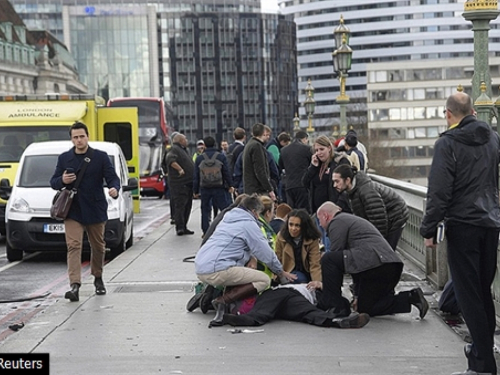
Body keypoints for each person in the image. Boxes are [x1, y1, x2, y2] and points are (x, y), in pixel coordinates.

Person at [420, 92, 500, 375]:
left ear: (448, 114)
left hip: (463, 225)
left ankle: (483, 365)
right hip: (490, 224)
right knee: (482, 292)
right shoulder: (493, 139)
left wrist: (429, 229)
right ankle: (479, 352)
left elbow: (439, 192)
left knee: (468, 297)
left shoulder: (448, 143)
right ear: (474, 113)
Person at [315, 202, 428, 319]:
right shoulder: (351, 221)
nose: (320, 225)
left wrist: (326, 286)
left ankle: (335, 307)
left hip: (376, 264)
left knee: (328, 259)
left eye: (319, 220)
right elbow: (353, 263)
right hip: (389, 266)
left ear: (325, 216)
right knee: (365, 308)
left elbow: (336, 257)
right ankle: (411, 297)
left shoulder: (337, 222)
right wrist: (357, 296)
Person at [194, 196, 295, 326]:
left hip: (201, 266)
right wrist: (280, 272)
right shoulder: (249, 223)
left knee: (238, 271)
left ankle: (216, 299)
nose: (259, 217)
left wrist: (252, 257)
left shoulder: (229, 218)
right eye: (258, 214)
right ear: (254, 211)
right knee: (263, 280)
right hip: (217, 269)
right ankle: (222, 301)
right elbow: (265, 253)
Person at [50, 121, 120, 302]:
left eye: (82, 136)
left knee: (98, 246)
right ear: (71, 139)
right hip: (73, 210)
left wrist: (114, 189)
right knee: (73, 246)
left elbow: (112, 178)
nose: (79, 140)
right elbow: (53, 182)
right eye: (75, 137)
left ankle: (98, 276)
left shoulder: (100, 157)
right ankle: (74, 285)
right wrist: (63, 180)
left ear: (87, 137)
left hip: (95, 208)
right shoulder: (64, 158)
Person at [220, 284, 370, 329]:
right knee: (308, 312)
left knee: (309, 313)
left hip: (293, 300)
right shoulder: (323, 289)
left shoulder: (326, 300)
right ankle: (336, 321)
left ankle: (338, 321)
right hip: (284, 292)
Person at [333, 164, 409, 250]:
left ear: (347, 180)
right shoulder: (349, 192)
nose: (334, 185)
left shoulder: (366, 191)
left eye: (337, 181)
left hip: (396, 215)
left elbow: (379, 220)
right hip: (386, 215)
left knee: (386, 251)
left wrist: (376, 242)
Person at [193, 136, 234, 236]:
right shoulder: (221, 157)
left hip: (205, 188)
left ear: (205, 145)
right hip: (218, 186)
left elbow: (196, 176)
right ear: (215, 144)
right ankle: (226, 228)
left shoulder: (199, 158)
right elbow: (226, 172)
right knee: (224, 209)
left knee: (205, 209)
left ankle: (206, 231)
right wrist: (230, 185)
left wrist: (195, 190)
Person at [302, 135, 351, 215]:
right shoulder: (317, 164)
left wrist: (337, 205)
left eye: (322, 149)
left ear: (329, 148)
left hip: (335, 209)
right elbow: (305, 182)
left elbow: (345, 186)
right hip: (317, 211)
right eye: (316, 150)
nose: (319, 153)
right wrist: (313, 167)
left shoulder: (339, 161)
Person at [275, 209, 322, 283]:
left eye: (297, 225)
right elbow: (278, 259)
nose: (293, 228)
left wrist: (317, 281)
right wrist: (281, 274)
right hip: (289, 272)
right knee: (299, 278)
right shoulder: (281, 237)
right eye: (291, 224)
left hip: (308, 271)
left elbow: (315, 263)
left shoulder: (312, 239)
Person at [165, 133, 195, 236]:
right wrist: (180, 169)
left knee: (187, 206)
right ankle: (180, 227)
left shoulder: (183, 150)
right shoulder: (174, 149)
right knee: (180, 206)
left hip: (188, 184)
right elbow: (170, 160)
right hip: (180, 184)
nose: (187, 141)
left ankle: (184, 226)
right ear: (180, 141)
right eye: (185, 139)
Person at [279, 131, 312, 211]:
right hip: (302, 185)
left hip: (289, 185)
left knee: (292, 211)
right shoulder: (307, 149)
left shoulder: (284, 150)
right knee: (303, 211)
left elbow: (281, 165)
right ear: (305, 139)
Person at [242, 123, 276, 200]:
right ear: (263, 133)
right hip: (257, 190)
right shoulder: (257, 146)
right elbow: (260, 171)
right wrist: (269, 189)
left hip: (250, 189)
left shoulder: (249, 144)